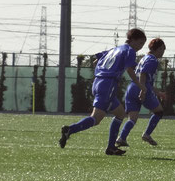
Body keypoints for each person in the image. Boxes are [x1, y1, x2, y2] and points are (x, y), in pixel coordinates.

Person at [59, 28, 147, 156]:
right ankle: (70, 129)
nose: (140, 47)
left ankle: (111, 147)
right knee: (96, 118)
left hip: (98, 82)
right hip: (108, 84)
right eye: (139, 43)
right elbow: (130, 70)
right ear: (132, 40)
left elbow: (95, 60)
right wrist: (140, 85)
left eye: (142, 44)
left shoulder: (114, 49)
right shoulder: (130, 51)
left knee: (120, 113)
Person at [116, 38, 166, 147]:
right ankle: (147, 134)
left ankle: (121, 138)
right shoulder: (152, 60)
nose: (163, 52)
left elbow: (145, 79)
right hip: (141, 88)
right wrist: (142, 91)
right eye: (162, 49)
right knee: (159, 112)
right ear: (158, 49)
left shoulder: (144, 58)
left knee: (132, 118)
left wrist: (158, 93)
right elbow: (143, 74)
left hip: (132, 88)